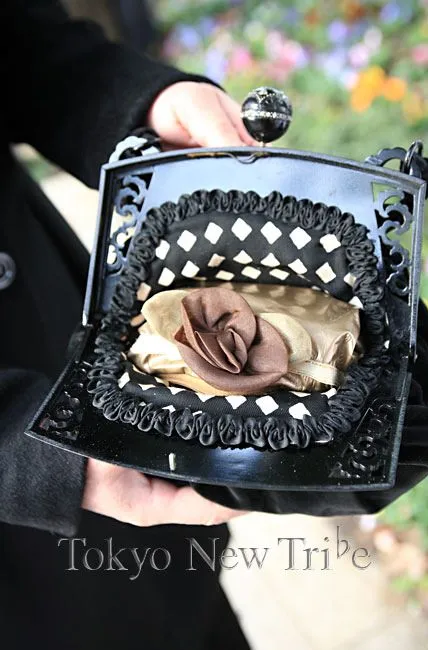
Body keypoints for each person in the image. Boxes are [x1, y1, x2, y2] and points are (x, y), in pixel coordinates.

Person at [0, 1, 258, 649]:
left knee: (183, 607)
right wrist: (29, 457)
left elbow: (17, 41)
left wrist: (139, 106)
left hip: (55, 326)